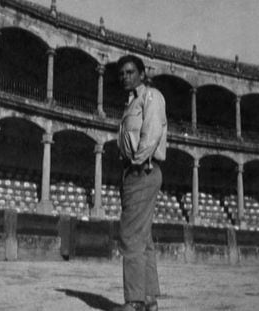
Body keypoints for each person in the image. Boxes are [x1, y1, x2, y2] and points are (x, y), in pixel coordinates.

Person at [112, 54, 167, 311]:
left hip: (142, 170)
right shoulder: (130, 104)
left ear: (142, 74)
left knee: (131, 235)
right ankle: (148, 299)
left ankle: (134, 300)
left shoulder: (150, 97)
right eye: (122, 73)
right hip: (136, 171)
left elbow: (152, 132)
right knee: (143, 238)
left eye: (131, 72)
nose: (125, 76)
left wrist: (137, 162)